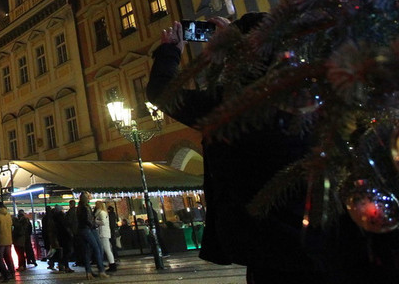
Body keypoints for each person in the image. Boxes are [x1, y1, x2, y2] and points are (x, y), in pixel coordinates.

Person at [148, 16, 399, 283]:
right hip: (327, 238)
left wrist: (171, 50)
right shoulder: (311, 95)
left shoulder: (233, 103)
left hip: (268, 243)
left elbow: (162, 92)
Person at [93, 203, 116, 273]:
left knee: (107, 249)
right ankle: (111, 264)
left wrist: (95, 221)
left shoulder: (101, 213)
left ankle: (112, 264)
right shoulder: (102, 212)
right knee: (106, 249)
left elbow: (103, 222)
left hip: (103, 233)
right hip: (103, 232)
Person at [0, 203, 14, 275]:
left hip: (0, 240)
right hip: (8, 239)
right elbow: (11, 226)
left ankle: (5, 274)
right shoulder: (8, 215)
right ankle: (12, 272)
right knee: (8, 257)